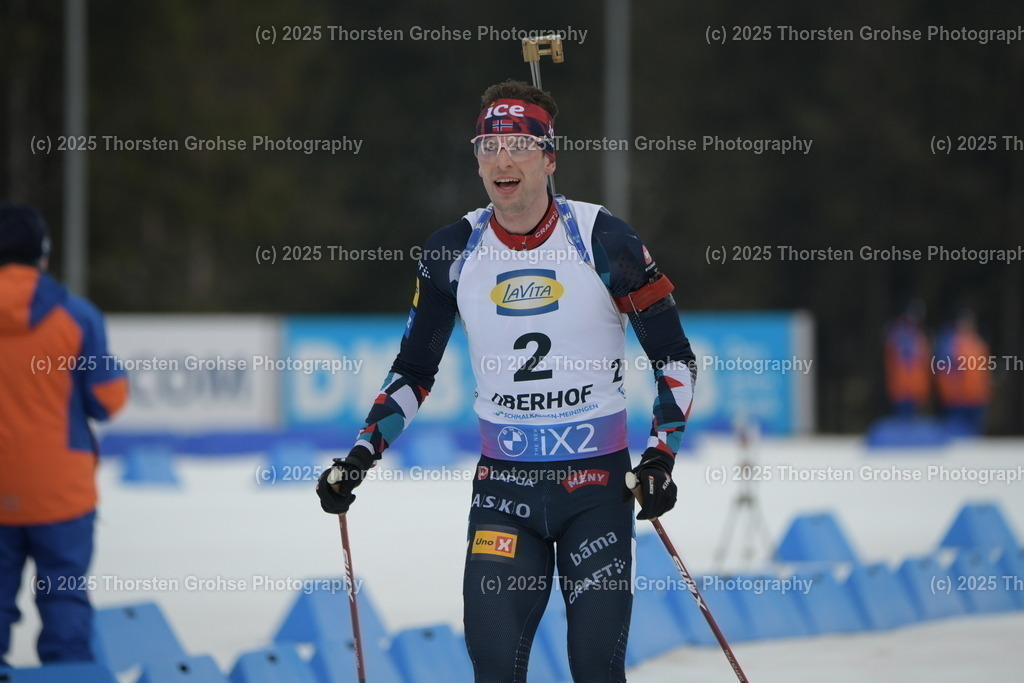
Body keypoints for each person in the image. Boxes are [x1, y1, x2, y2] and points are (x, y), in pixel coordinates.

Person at [317, 80, 696, 682]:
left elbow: (674, 358)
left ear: (550, 157)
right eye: (488, 145)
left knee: (595, 666)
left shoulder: (605, 240)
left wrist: (659, 461)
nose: (502, 160)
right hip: (505, 492)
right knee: (495, 668)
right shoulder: (452, 250)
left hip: (595, 488)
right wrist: (362, 454)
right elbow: (415, 371)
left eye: (519, 143)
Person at [0, 203, 129, 666]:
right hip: (60, 492)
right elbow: (108, 400)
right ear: (42, 256)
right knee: (64, 604)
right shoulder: (76, 316)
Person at [935, 309, 992, 434]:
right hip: (958, 400)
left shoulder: (979, 343)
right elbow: (944, 371)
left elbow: (985, 370)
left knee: (975, 436)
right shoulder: (950, 343)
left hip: (977, 399)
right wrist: (950, 392)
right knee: (958, 437)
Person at [883, 302, 931, 416]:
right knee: (901, 423)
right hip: (901, 390)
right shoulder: (896, 333)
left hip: (916, 390)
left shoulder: (920, 336)